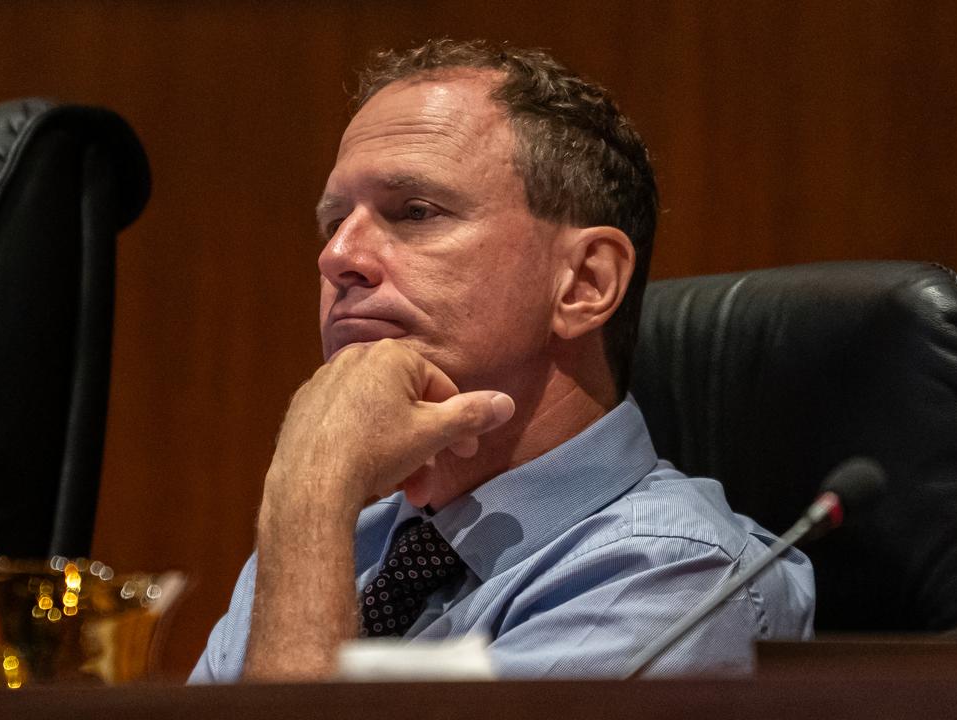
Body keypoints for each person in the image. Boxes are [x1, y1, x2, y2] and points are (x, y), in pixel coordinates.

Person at [192, 39, 813, 682]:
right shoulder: (337, 547)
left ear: (584, 284)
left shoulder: (675, 576)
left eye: (415, 212)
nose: (338, 256)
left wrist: (312, 491)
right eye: (333, 222)